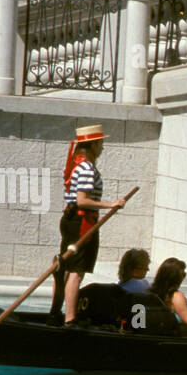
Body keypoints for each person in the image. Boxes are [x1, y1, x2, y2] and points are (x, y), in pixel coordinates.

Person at [49, 124, 129, 325]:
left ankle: (58, 314)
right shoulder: (86, 168)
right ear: (93, 144)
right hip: (81, 222)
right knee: (76, 271)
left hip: (74, 220)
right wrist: (111, 204)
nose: (103, 147)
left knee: (67, 268)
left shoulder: (78, 163)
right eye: (101, 143)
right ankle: (70, 319)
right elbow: (82, 200)